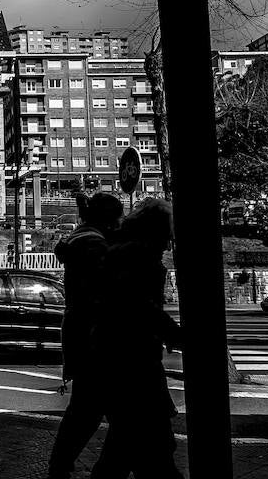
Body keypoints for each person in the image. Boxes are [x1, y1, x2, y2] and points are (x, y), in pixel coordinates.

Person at [90, 198, 184, 479]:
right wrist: (172, 333)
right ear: (154, 232)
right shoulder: (139, 258)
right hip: (134, 362)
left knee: (125, 446)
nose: (168, 245)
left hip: (116, 358)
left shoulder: (118, 252)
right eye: (167, 237)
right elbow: (140, 305)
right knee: (149, 446)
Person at [47, 192, 124, 479]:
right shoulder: (94, 245)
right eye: (116, 219)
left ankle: (66, 464)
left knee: (88, 409)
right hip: (94, 337)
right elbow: (106, 290)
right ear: (107, 218)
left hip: (83, 334)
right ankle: (71, 467)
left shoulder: (82, 238)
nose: (118, 224)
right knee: (92, 410)